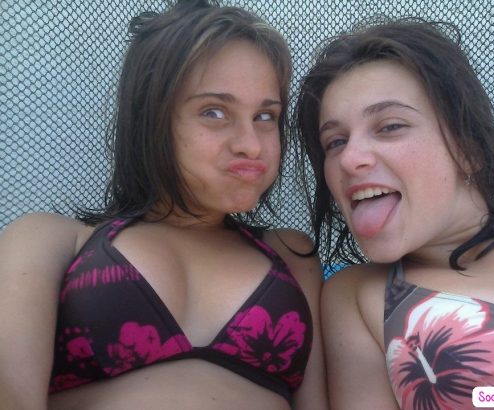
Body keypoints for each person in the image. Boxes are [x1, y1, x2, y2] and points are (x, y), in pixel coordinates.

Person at [0, 1, 328, 409]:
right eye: (214, 112)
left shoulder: (292, 255)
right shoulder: (51, 241)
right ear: (152, 119)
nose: (251, 144)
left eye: (265, 116)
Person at [294, 17, 494, 410]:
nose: (349, 158)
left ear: (468, 148)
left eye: (390, 126)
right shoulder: (358, 296)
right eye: (335, 141)